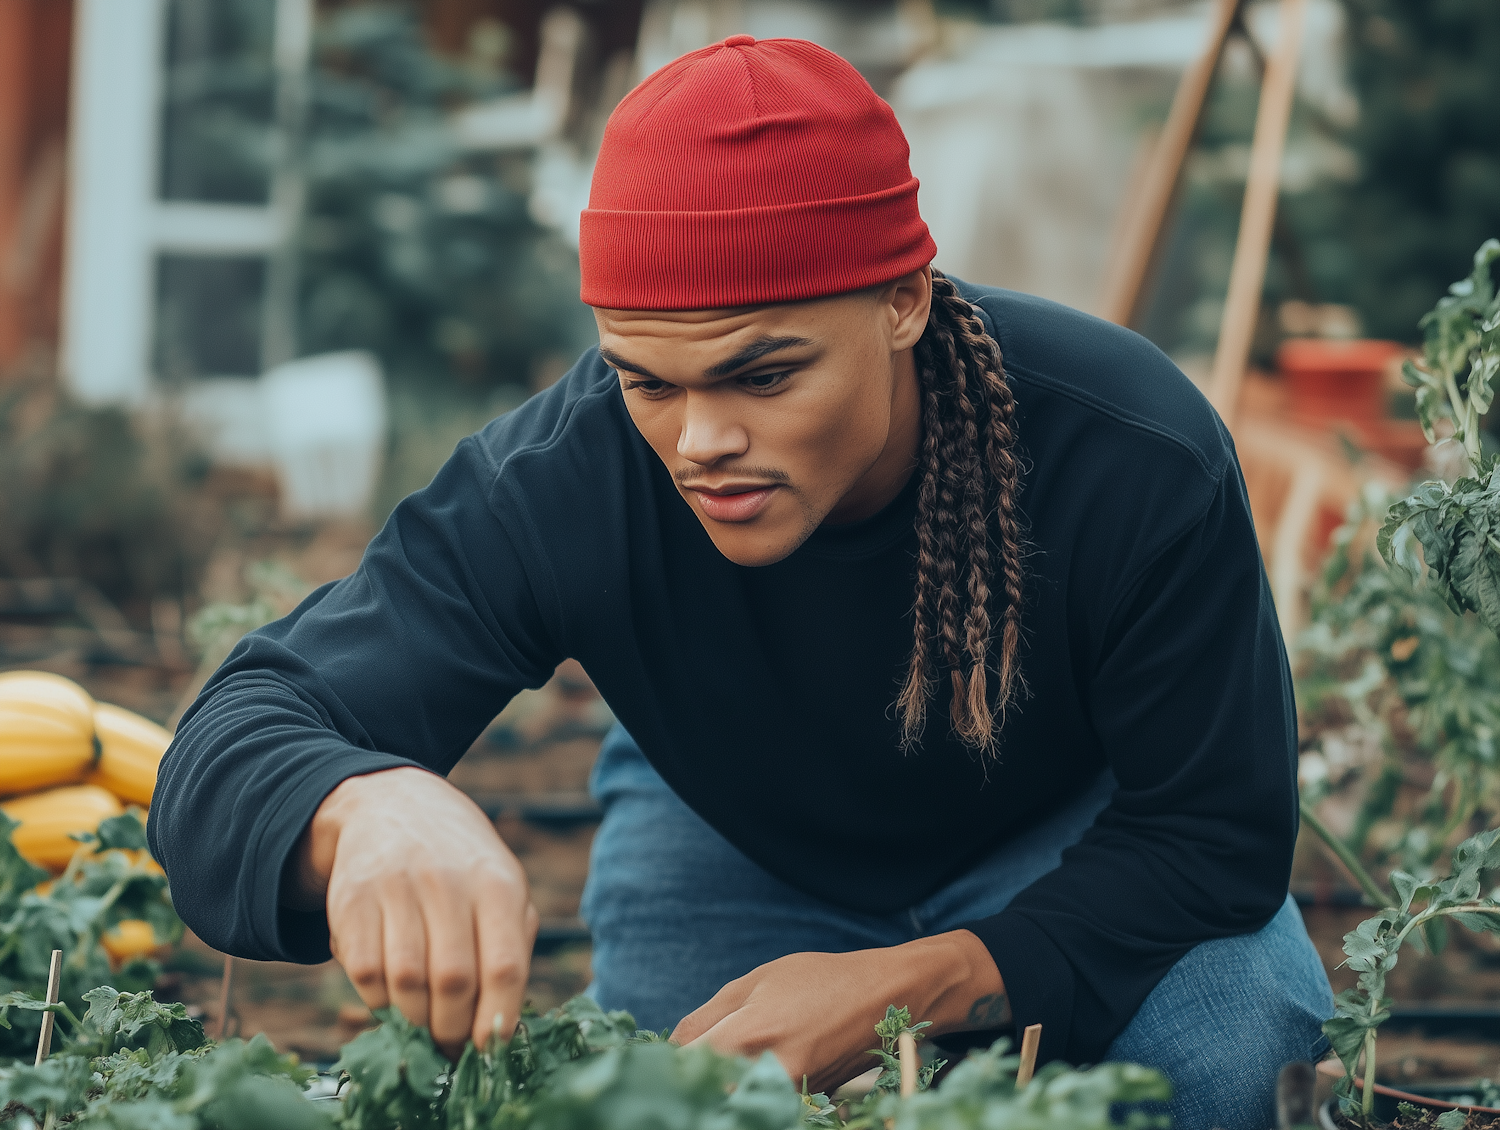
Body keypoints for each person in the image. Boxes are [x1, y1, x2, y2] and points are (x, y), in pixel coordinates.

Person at [150, 35, 1333, 1130]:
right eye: (649, 381)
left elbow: (1214, 831)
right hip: (728, 832)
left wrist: (917, 985)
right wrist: (363, 804)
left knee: (1230, 1059)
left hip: (1064, 836)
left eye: (761, 375)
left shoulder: (1130, 453)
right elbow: (231, 741)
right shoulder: (567, 475)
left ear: (901, 301)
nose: (699, 439)